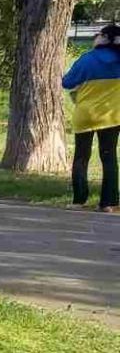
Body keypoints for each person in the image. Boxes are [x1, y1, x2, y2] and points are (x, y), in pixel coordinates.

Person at [62, 23, 120, 214]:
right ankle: (108, 203)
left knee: (81, 157)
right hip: (112, 117)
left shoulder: (87, 59)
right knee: (109, 157)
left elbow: (67, 82)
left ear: (102, 37)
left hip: (85, 116)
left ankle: (79, 200)